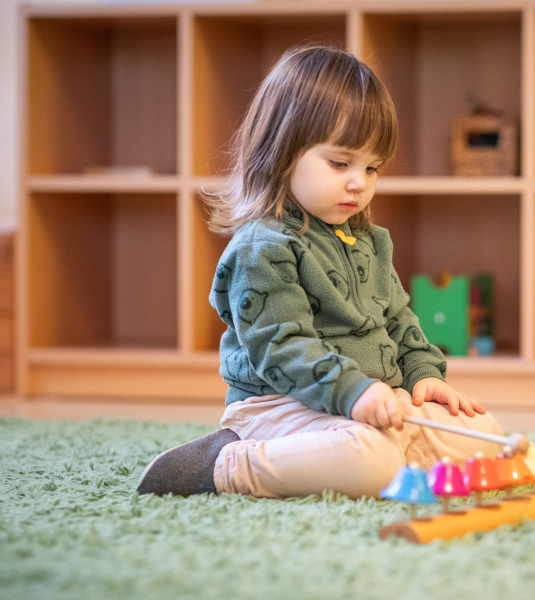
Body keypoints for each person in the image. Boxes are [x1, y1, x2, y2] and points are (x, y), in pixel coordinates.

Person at [137, 45, 505, 500]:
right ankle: (225, 463)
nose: (359, 182)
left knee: (482, 432)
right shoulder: (262, 249)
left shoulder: (370, 241)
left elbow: (399, 321)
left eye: (372, 167)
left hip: (367, 400)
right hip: (280, 406)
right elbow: (283, 348)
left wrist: (422, 377)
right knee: (372, 460)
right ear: (282, 152)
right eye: (340, 163)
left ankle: (388, 452)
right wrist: (353, 392)